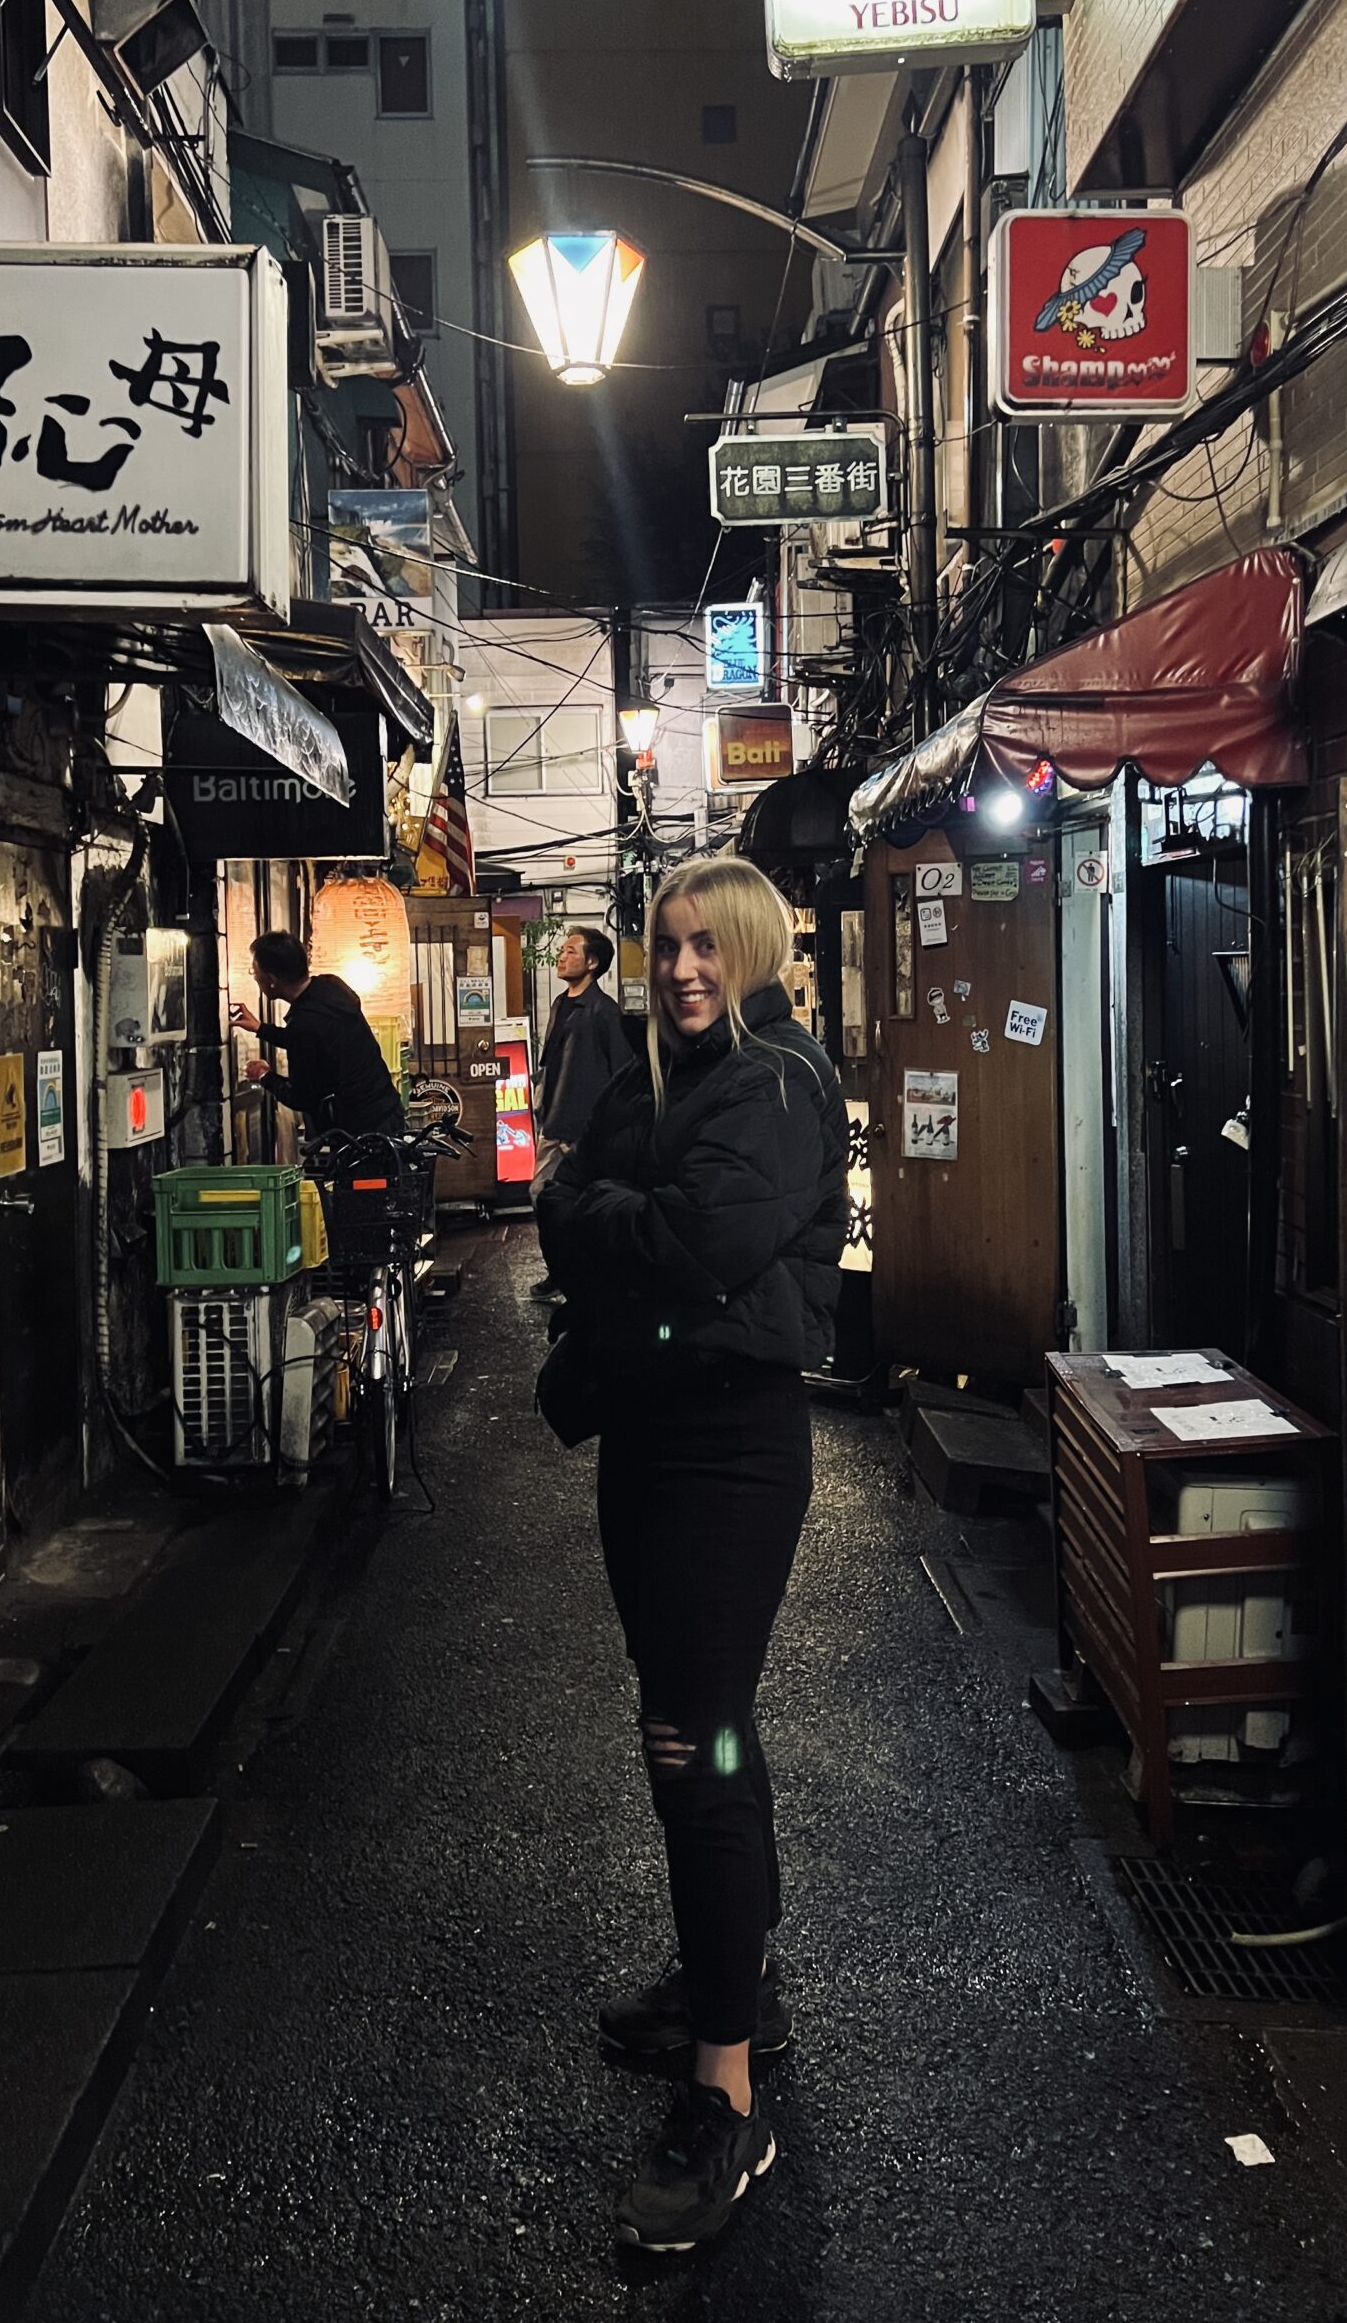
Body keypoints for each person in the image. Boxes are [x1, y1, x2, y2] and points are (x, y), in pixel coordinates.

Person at [536, 857, 847, 2254]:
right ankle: (738, 1977)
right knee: (698, 1725)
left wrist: (597, 1219)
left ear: (757, 950)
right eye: (665, 945)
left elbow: (684, 1239)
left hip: (729, 1451)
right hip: (653, 1439)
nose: (681, 968)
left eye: (707, 944)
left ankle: (727, 2093)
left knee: (694, 1737)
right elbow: (576, 1193)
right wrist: (602, 1219)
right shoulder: (665, 1073)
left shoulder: (775, 1082)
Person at [528, 923, 629, 1301]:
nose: (562, 956)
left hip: (586, 1130)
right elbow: (551, 1062)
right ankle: (561, 1271)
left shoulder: (605, 1011)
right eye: (562, 950)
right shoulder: (560, 1004)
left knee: (584, 1203)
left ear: (592, 962)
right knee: (542, 1196)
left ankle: (588, 1278)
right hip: (554, 1122)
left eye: (571, 951)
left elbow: (622, 1074)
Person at [230, 929, 405, 1140]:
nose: (255, 976)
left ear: (272, 979)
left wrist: (264, 1075)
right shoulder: (331, 986)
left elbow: (301, 1097)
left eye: (254, 971)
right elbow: (313, 1041)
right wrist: (260, 1028)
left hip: (361, 1132)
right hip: (386, 1110)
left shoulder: (304, 1024)